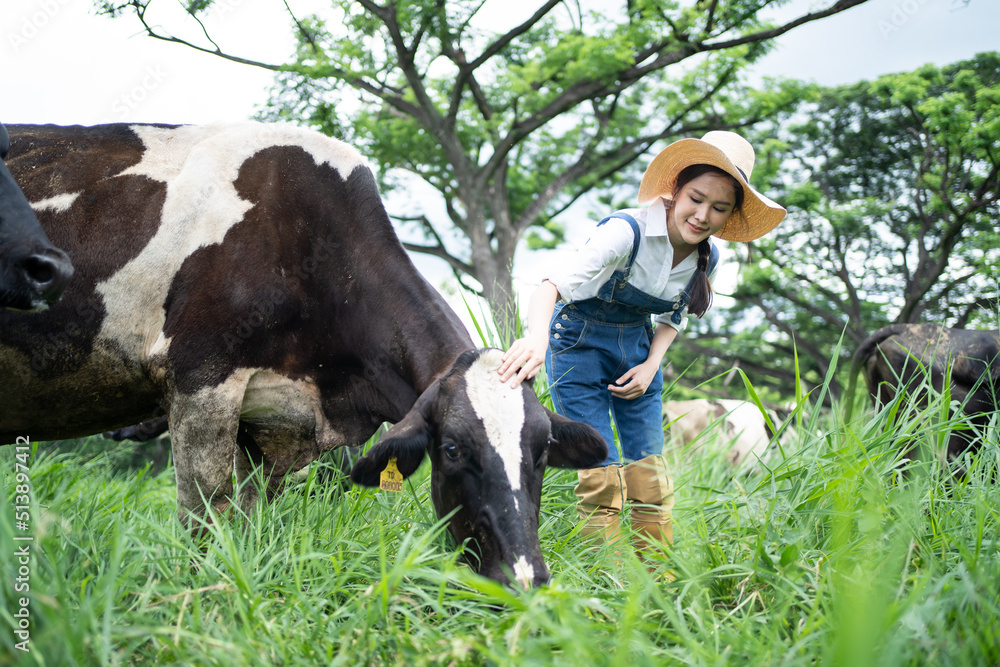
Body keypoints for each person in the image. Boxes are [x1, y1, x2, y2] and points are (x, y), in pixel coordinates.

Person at [497, 131, 786, 562]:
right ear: (675, 191)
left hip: (637, 351)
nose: (703, 215)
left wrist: (653, 364)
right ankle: (608, 575)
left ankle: (656, 576)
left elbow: (673, 316)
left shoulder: (709, 258)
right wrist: (536, 339)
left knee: (650, 472)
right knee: (600, 469)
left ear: (730, 216)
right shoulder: (625, 232)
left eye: (719, 208)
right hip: (577, 344)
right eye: (696, 198)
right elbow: (551, 286)